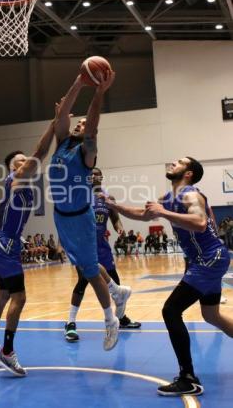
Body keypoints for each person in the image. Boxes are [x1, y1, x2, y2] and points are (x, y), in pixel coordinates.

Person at [102, 157, 233, 396]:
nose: (173, 162)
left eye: (180, 162)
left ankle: (188, 378)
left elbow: (201, 223)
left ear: (189, 173)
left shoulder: (190, 195)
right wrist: (115, 206)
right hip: (209, 259)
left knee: (171, 310)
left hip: (209, 259)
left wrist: (162, 212)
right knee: (212, 315)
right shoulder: (168, 198)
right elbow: (143, 215)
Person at [49, 72, 131, 351]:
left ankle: (111, 320)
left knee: (88, 272)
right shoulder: (62, 143)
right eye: (78, 121)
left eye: (84, 123)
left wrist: (98, 93)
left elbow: (93, 124)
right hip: (60, 217)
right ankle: (117, 291)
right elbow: (61, 117)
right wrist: (78, 82)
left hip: (80, 216)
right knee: (83, 265)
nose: (80, 123)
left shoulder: (87, 152)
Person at [0, 118, 55, 377]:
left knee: (3, 295)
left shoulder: (23, 184)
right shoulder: (15, 179)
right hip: (6, 244)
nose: (25, 163)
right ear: (13, 167)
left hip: (6, 243)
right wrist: (54, 126)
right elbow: (39, 154)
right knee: (19, 298)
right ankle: (7, 352)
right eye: (20, 161)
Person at [64, 167, 141, 342]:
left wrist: (119, 228)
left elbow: (115, 218)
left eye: (96, 173)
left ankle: (121, 318)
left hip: (102, 246)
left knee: (116, 281)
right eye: (90, 174)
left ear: (101, 177)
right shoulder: (80, 197)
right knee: (82, 281)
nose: (92, 176)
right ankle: (70, 323)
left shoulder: (108, 198)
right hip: (84, 245)